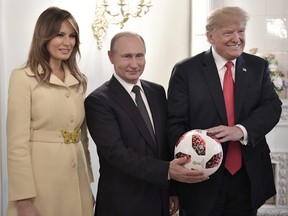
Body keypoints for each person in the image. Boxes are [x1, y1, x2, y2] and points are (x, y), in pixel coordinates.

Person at [167, 6, 282, 216]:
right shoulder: (186, 71)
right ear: (210, 36)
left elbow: (272, 107)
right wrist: (182, 171)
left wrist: (240, 130)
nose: (236, 38)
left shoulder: (258, 67)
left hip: (246, 179)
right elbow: (175, 123)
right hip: (202, 178)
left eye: (241, 31)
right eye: (228, 32)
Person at [84, 31, 208, 216]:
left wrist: (172, 190)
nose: (134, 64)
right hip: (122, 205)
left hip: (159, 200)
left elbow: (164, 145)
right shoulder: (98, 101)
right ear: (111, 57)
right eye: (127, 56)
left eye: (139, 56)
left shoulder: (157, 92)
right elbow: (117, 154)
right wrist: (167, 171)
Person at [6, 7, 94, 216]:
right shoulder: (22, 77)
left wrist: (87, 185)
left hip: (76, 182)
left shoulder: (79, 80)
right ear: (43, 36)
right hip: (40, 187)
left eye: (72, 36)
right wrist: (24, 200)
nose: (67, 42)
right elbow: (16, 144)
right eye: (59, 35)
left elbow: (83, 138)